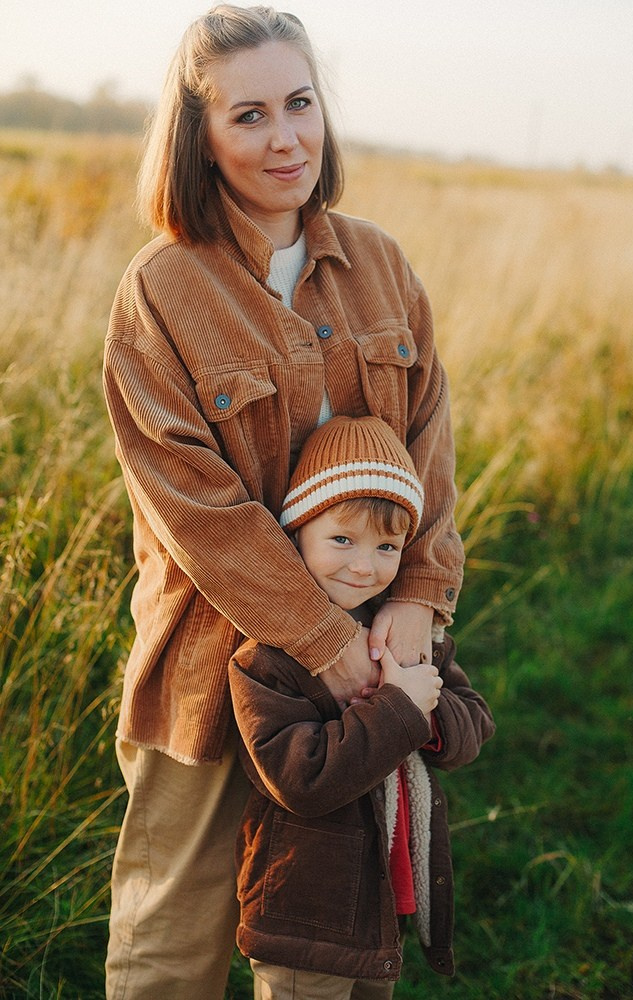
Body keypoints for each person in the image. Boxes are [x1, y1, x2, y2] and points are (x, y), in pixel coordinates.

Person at [103, 5, 465, 998]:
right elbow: (195, 509)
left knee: (330, 945)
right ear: (200, 134)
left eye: (299, 104)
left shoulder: (382, 266)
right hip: (206, 668)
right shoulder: (162, 290)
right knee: (171, 938)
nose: (285, 139)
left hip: (368, 670)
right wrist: (321, 638)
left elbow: (429, 455)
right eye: (249, 115)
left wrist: (414, 602)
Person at [229, 415, 495, 998]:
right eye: (342, 540)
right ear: (296, 532)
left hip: (383, 898)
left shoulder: (403, 633)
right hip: (308, 910)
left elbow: (474, 724)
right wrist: (399, 708)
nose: (364, 566)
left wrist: (425, 709)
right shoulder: (268, 657)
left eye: (387, 547)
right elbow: (302, 779)